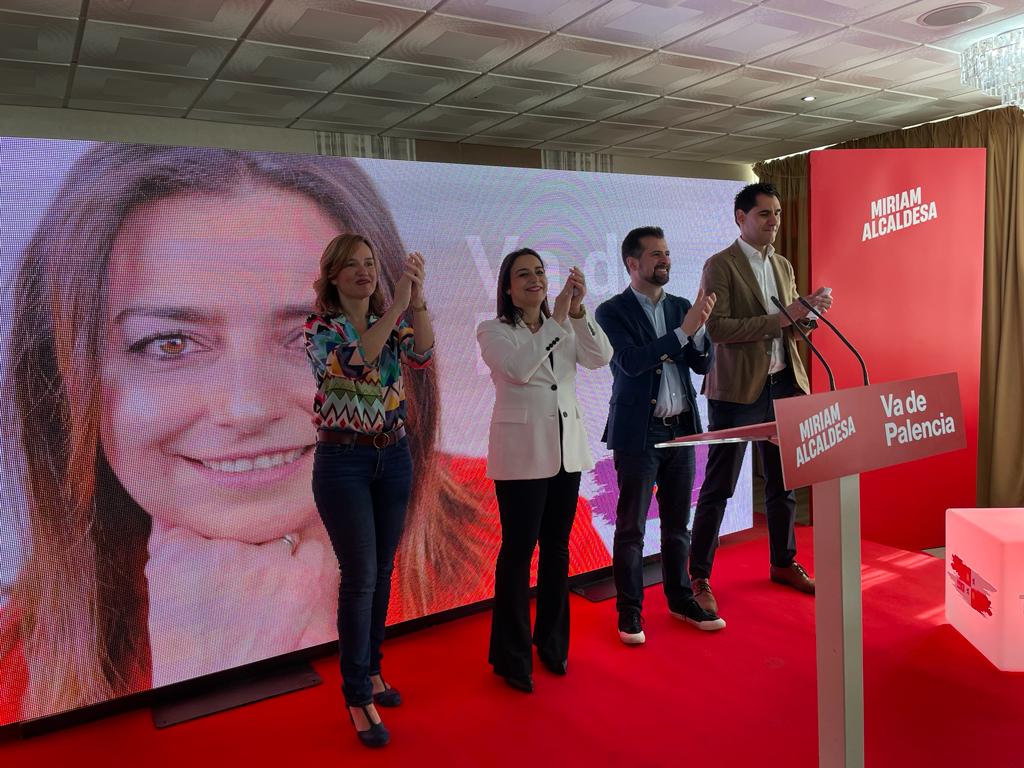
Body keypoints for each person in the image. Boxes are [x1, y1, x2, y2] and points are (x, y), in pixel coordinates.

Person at [0, 143, 612, 725]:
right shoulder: (17, 665)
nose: (245, 408)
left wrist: (414, 302)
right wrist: (207, 671)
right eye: (170, 343)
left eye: (292, 334)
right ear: (72, 376)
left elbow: (415, 355)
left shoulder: (495, 513)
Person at [305, 233, 431, 747]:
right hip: (343, 461)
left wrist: (415, 302)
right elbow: (353, 364)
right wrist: (396, 306)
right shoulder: (321, 327)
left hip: (393, 455)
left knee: (381, 572)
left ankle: (373, 670)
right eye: (352, 264)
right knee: (358, 576)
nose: (364, 270)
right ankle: (356, 693)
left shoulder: (393, 319)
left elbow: (421, 355)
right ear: (332, 275)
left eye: (370, 262)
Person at [689, 182, 833, 613]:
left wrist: (807, 317)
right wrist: (786, 316)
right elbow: (719, 330)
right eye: (764, 214)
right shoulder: (720, 265)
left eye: (777, 213)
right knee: (720, 486)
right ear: (741, 218)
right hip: (737, 391)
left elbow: (786, 324)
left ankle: (783, 561)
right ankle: (698, 576)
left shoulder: (783, 265)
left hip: (784, 382)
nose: (773, 221)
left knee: (783, 483)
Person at [477, 248, 612, 693]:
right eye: (524, 274)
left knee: (557, 550)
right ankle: (512, 656)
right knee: (518, 554)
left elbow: (600, 357)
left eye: (539, 272)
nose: (534, 279)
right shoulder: (493, 330)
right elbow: (518, 370)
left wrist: (578, 312)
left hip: (566, 452)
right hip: (521, 455)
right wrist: (556, 321)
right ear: (509, 289)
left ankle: (553, 644)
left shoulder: (564, 324)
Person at [594, 227, 722, 645]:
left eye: (666, 253)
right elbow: (631, 363)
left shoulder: (682, 306)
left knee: (676, 525)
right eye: (655, 255)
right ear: (632, 263)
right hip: (638, 434)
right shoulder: (611, 312)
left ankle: (679, 599)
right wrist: (684, 332)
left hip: (681, 429)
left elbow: (700, 366)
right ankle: (630, 611)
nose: (664, 260)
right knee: (630, 527)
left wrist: (700, 331)